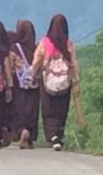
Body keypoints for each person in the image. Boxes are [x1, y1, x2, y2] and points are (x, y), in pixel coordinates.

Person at [31, 14, 80, 151]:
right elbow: (74, 63)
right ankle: (59, 134)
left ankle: (53, 136)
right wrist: (76, 80)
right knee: (61, 109)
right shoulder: (68, 43)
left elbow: (37, 61)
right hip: (65, 83)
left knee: (48, 109)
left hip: (47, 82)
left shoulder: (44, 43)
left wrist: (33, 74)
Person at [8, 20, 40, 149]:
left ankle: (22, 131)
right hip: (34, 84)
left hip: (18, 84)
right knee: (32, 109)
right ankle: (30, 137)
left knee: (19, 109)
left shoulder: (15, 48)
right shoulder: (37, 47)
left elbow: (10, 66)